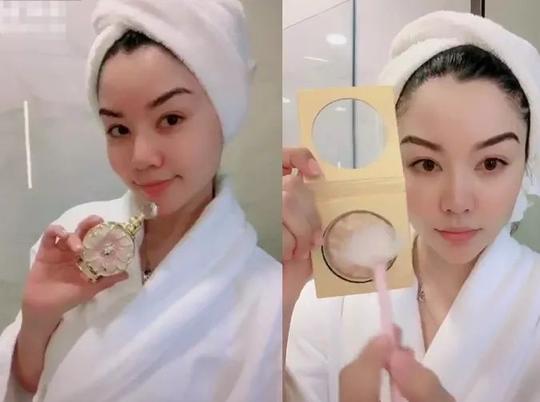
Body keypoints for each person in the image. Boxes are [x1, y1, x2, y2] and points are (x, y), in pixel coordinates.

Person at [0, 1, 281, 401]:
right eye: (118, 129)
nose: (141, 158)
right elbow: (26, 388)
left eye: (171, 119)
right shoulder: (74, 239)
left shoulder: (269, 299)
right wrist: (37, 319)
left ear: (223, 115)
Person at [283, 11, 540, 402]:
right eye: (426, 164)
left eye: (491, 163)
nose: (456, 202)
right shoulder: (332, 300)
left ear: (526, 163)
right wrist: (281, 299)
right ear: (392, 162)